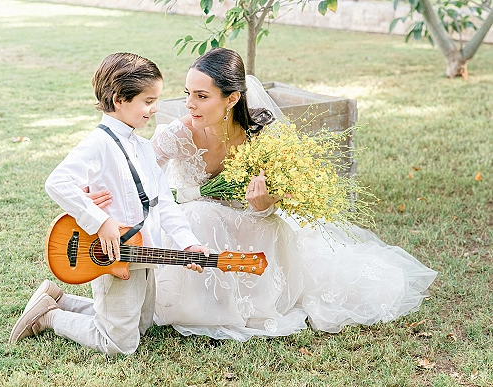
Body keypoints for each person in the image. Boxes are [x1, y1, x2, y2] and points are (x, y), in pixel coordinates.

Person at [149, 48, 437, 341]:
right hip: (183, 226)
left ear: (232, 98)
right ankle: (199, 304)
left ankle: (244, 303)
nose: (189, 104)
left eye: (201, 96)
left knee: (267, 224)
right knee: (200, 212)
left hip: (239, 222)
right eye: (188, 93)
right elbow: (139, 179)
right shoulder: (176, 135)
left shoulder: (261, 139)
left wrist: (262, 205)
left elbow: (269, 204)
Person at [8, 52, 208, 355]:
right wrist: (100, 221)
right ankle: (49, 316)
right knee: (119, 344)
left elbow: (163, 202)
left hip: (145, 251)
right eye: (148, 101)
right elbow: (57, 182)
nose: (154, 110)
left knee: (143, 325)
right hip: (114, 256)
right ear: (119, 100)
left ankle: (59, 299)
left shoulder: (142, 145)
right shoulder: (97, 144)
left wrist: (188, 243)